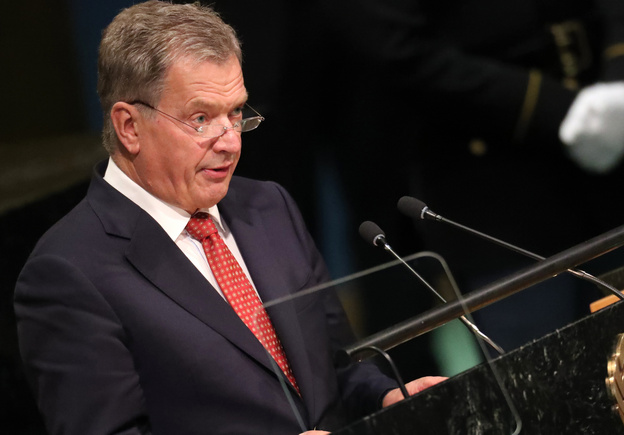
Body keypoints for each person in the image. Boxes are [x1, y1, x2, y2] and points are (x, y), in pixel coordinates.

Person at [13, 2, 443, 434]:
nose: (230, 143)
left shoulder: (269, 206)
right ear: (129, 126)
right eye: (201, 119)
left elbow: (338, 364)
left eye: (235, 113)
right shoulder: (68, 272)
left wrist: (385, 395)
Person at [229, 0, 624, 355]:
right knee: (546, 388)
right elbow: (398, 47)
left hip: (615, 167)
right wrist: (556, 110)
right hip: (496, 199)